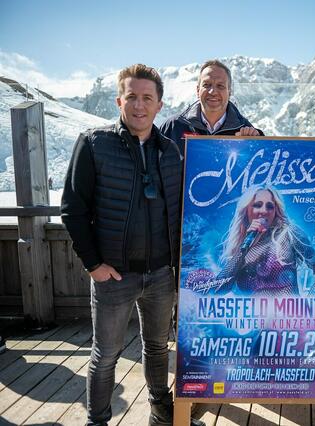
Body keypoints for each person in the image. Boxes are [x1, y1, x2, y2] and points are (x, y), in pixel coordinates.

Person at [60, 64, 203, 426]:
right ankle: (97, 421)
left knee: (156, 348)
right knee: (106, 354)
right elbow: (73, 209)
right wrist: (93, 264)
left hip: (160, 275)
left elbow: (187, 207)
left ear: (159, 105)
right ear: (119, 101)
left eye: (147, 98)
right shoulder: (94, 144)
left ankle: (160, 412)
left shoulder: (171, 151)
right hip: (113, 276)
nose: (139, 105)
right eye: (132, 97)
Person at [215, 186, 315, 295]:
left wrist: (313, 298)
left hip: (288, 308)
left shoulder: (288, 233)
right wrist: (244, 247)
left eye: (270, 206)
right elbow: (217, 290)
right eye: (257, 205)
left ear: (275, 211)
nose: (264, 211)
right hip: (252, 309)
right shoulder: (241, 248)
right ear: (246, 210)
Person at [159, 59, 263, 154]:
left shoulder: (245, 131)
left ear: (229, 92)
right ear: (198, 90)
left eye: (220, 86)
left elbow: (262, 161)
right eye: (207, 85)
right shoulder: (173, 127)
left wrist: (256, 143)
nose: (213, 92)